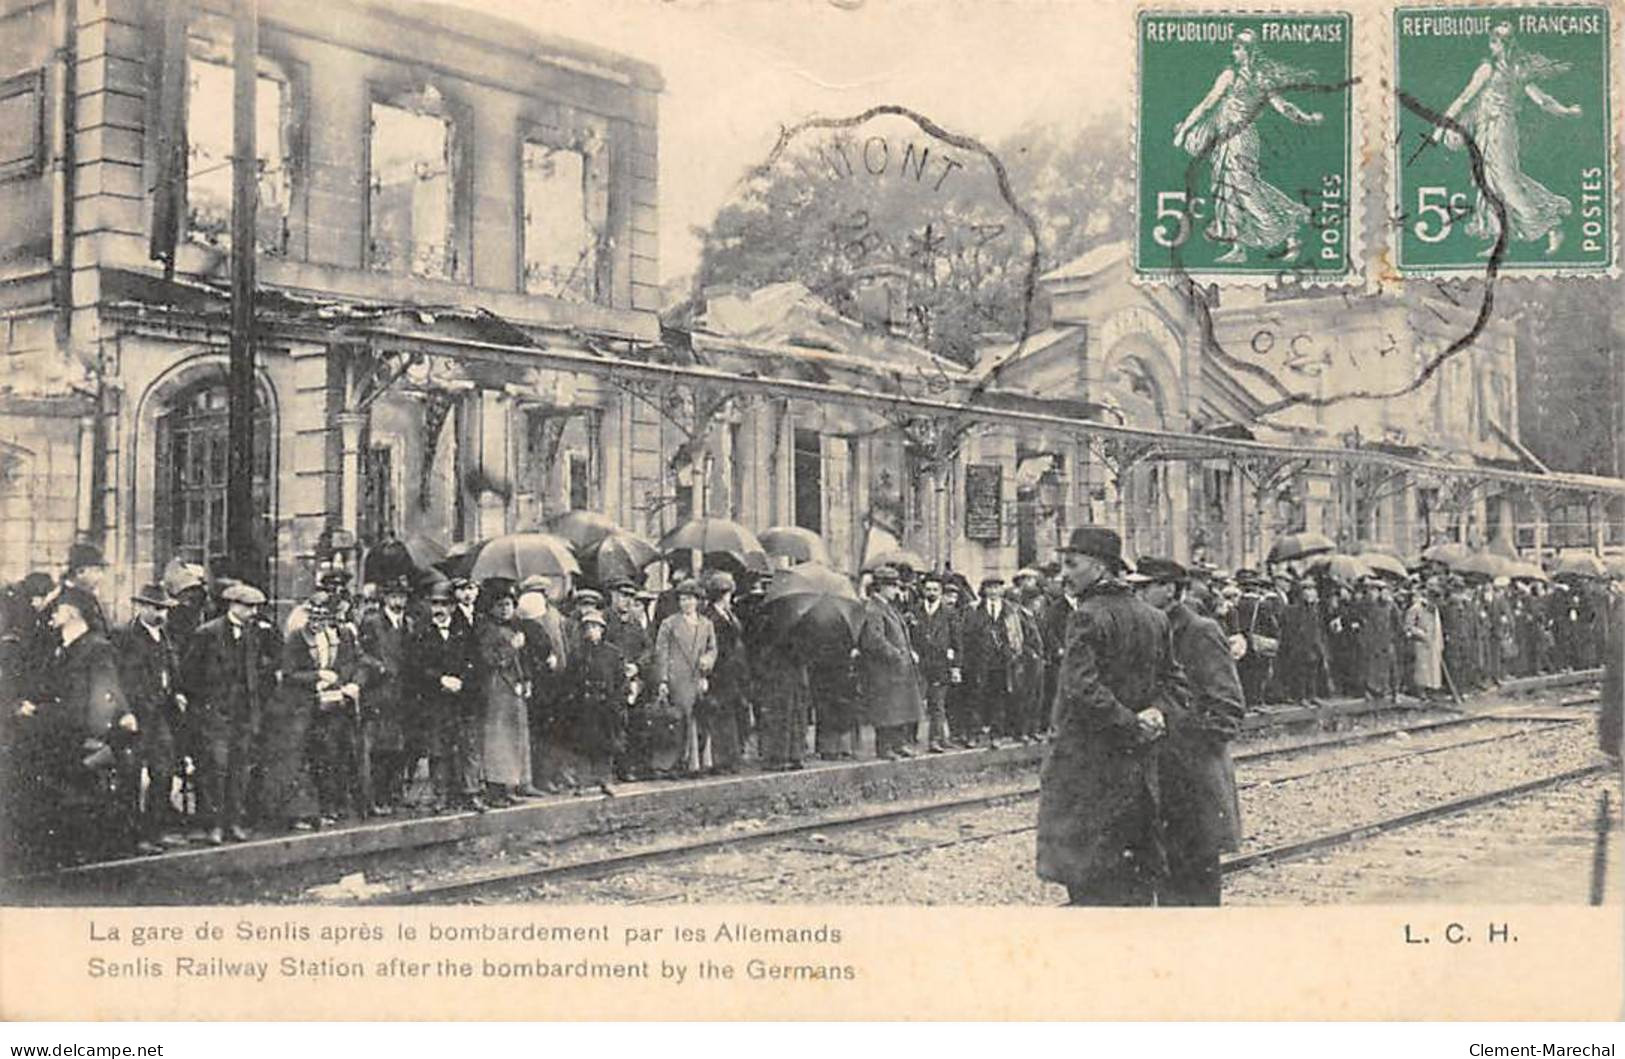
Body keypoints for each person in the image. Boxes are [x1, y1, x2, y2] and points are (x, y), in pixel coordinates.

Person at [1037, 526, 1187, 906]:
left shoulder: (1086, 616)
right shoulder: (1154, 618)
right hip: (1137, 773)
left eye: (1071, 564)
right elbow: (1176, 684)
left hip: (1089, 774)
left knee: (1091, 885)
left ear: (1101, 568)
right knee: (1132, 880)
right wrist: (1154, 714)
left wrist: (1129, 722)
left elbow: (1081, 690)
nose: (1064, 574)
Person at [1132, 557, 1243, 906]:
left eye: (1144, 587)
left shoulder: (1200, 631)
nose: (1136, 593)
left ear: (1169, 589)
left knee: (1194, 886)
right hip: (1156, 780)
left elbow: (1227, 710)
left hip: (1193, 781)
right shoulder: (1147, 630)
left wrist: (1172, 731)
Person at [1171, 27, 1324, 264]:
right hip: (1227, 138)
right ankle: (1242, 247)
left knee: (1245, 190)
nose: (1234, 52)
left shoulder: (1247, 78)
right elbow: (1207, 104)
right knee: (1230, 190)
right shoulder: (1241, 76)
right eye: (1234, 47)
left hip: (1239, 139)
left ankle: (1288, 228)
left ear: (1249, 51)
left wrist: (1306, 119)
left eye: (1238, 48)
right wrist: (1186, 129)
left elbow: (1282, 106)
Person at [1429, 21, 1583, 257]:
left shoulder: (1505, 70)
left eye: (1498, 41)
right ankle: (1502, 241)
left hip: (1499, 130)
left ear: (1499, 44)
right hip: (1487, 130)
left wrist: (1566, 111)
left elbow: (1466, 98)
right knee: (1490, 183)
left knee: (1506, 183)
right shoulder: (1504, 70)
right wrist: (1568, 111)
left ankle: (1551, 225)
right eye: (1496, 40)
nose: (1496, 45)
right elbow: (1467, 99)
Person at [181, 581, 276, 844]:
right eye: (248, 607)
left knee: (239, 769)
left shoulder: (253, 634)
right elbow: (189, 674)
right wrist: (204, 705)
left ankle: (233, 822)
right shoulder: (207, 633)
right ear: (233, 605)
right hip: (215, 714)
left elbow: (259, 671)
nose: (253, 612)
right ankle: (213, 824)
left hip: (243, 714)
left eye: (255, 607)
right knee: (215, 769)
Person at [114, 583, 189, 851]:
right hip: (135, 716)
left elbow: (171, 671)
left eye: (165, 610)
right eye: (156, 608)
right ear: (142, 607)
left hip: (160, 715)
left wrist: (177, 693)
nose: (161, 614)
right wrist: (125, 711)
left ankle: (155, 830)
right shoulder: (125, 636)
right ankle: (133, 836)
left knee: (164, 771)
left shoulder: (166, 636)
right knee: (131, 776)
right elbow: (118, 679)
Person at [408, 580, 484, 813]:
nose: (438, 609)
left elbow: (476, 662)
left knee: (467, 747)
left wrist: (462, 682)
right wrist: (440, 680)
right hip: (436, 700)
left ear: (453, 607)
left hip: (462, 700)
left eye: (444, 604)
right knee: (438, 749)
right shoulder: (421, 633)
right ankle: (441, 795)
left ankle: (470, 794)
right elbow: (416, 667)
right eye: (434, 604)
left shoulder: (465, 631)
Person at [268, 601, 342, 832]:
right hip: (293, 707)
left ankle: (314, 811)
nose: (318, 624)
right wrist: (317, 675)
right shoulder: (295, 640)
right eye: (314, 619)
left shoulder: (325, 639)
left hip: (313, 706)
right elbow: (289, 674)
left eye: (322, 620)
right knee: (294, 759)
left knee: (317, 755)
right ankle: (294, 814)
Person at [357, 578, 414, 813]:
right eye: (393, 596)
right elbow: (359, 653)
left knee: (400, 747)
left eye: (401, 596)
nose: (397, 601)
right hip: (379, 691)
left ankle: (395, 793)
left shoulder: (409, 623)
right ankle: (377, 799)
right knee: (379, 748)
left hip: (402, 693)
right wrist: (378, 666)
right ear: (385, 599)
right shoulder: (372, 622)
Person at [559, 607, 627, 796]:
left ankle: (605, 780)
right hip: (584, 706)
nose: (591, 631)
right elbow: (569, 680)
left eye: (595, 627)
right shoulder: (577, 653)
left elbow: (621, 680)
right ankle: (581, 782)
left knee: (606, 745)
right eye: (587, 627)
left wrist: (617, 701)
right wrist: (573, 700)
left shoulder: (612, 653)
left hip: (606, 705)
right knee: (583, 745)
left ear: (602, 629)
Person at [476, 579, 532, 807]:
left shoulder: (512, 628)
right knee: (498, 740)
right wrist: (512, 648)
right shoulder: (488, 630)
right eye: (500, 605)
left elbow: (521, 661)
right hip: (497, 689)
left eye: (509, 604)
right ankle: (495, 789)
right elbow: (489, 660)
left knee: (514, 738)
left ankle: (510, 785)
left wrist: (526, 679)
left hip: (513, 689)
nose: (506, 609)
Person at [652, 578, 716, 776]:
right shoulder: (669, 624)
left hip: (696, 677)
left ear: (698, 601)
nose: (686, 604)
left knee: (698, 719)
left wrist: (707, 662)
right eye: (682, 600)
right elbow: (661, 653)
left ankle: (697, 762)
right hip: (676, 678)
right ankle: (676, 762)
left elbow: (712, 648)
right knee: (679, 720)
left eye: (690, 599)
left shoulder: (706, 624)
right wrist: (662, 680)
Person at [860, 566, 925, 760]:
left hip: (898, 668)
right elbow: (874, 640)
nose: (896, 591)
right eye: (892, 586)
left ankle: (898, 744)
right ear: (881, 588)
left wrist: (908, 651)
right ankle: (884, 747)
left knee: (899, 708)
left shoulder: (888, 607)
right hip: (884, 669)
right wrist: (896, 654)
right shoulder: (873, 609)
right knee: (886, 710)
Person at [516, 576, 566, 796]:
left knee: (549, 730)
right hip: (538, 684)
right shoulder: (530, 626)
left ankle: (548, 775)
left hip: (551, 683)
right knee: (540, 732)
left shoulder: (551, 619)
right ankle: (540, 778)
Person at [961, 577, 1021, 747]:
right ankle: (973, 734)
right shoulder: (973, 610)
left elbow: (1016, 637)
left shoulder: (1010, 611)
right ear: (984, 590)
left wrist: (1011, 654)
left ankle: (997, 735)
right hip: (979, 661)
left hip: (1001, 663)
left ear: (1002, 590)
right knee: (976, 697)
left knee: (999, 698)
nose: (993, 592)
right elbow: (966, 635)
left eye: (997, 588)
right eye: (990, 588)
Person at [700, 571, 749, 773]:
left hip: (732, 672)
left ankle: (731, 758)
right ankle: (719, 761)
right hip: (718, 672)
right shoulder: (710, 617)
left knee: (731, 714)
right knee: (719, 716)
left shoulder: (729, 614)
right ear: (722, 594)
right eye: (728, 594)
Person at [907, 572, 960, 753]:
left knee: (937, 704)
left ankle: (935, 740)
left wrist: (955, 667)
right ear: (923, 590)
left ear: (940, 591)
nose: (931, 592)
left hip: (940, 665)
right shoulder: (914, 611)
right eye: (928, 589)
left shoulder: (949, 613)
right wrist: (912, 651)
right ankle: (910, 738)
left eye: (935, 589)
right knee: (915, 701)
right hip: (919, 664)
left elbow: (956, 642)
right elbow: (908, 636)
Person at [58, 542, 110, 636]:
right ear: (80, 572)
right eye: (97, 571)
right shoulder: (68, 601)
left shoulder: (86, 596)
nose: (101, 576)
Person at [1405, 580, 1446, 700]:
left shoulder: (1435, 610)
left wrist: (1440, 642)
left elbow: (1438, 626)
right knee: (1422, 669)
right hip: (1420, 643)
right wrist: (1421, 634)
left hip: (1433, 642)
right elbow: (1408, 626)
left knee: (1433, 668)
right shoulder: (1416, 609)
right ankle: (1420, 690)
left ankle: (1431, 690)